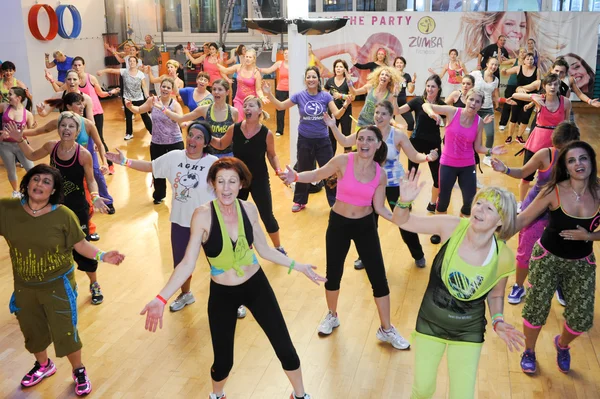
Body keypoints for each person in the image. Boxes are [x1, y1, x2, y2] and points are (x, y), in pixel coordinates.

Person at [141, 157, 322, 399]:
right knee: (223, 361)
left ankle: (300, 395)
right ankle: (217, 395)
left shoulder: (249, 209)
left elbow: (265, 250)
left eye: (232, 182)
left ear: (241, 185)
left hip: (256, 286)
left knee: (285, 348)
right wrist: (161, 299)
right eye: (221, 181)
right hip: (222, 294)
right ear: (213, 184)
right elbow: (186, 263)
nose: (226, 188)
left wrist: (297, 266)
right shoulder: (202, 215)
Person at [391, 169, 524, 399]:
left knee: (462, 395)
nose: (479, 210)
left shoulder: (503, 256)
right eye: (479, 203)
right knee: (422, 390)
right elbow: (403, 221)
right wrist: (404, 201)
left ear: (501, 221)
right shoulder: (452, 226)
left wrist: (498, 320)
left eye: (489, 208)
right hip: (430, 322)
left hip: (468, 330)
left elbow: (496, 295)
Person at [282, 125, 411, 351]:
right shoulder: (343, 161)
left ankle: (386, 328)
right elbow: (317, 174)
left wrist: (401, 217)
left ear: (378, 145)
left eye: (370, 139)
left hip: (365, 226)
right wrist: (295, 176)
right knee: (333, 274)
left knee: (379, 278)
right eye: (361, 138)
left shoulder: (380, 174)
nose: (364, 142)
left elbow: (380, 208)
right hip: (339, 224)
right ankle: (332, 315)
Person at [0, 164, 125, 396]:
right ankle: (44, 365)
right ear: (26, 183)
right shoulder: (8, 210)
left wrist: (103, 255)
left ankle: (78, 370)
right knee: (32, 330)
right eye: (36, 179)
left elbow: (81, 244)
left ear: (53, 190)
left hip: (58, 284)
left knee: (65, 330)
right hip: (25, 286)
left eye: (47, 182)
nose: (39, 184)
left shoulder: (63, 215)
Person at [106, 122, 221, 313]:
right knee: (181, 264)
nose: (192, 140)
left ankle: (234, 299)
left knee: (219, 263)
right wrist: (125, 161)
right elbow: (151, 166)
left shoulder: (213, 163)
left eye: (198, 137)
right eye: (190, 134)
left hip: (209, 223)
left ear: (206, 142)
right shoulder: (174, 157)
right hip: (181, 221)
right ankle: (186, 294)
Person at [6, 111, 111, 305]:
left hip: (77, 209)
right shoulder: (51, 147)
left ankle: (94, 283)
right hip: (53, 207)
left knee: (82, 248)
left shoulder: (84, 154)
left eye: (71, 126)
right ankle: (63, 285)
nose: (66, 129)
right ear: (58, 128)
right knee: (53, 247)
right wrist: (21, 139)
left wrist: (95, 197)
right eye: (63, 125)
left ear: (77, 130)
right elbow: (30, 154)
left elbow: (91, 180)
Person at [516, 140, 599, 374]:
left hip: (582, 263)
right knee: (535, 310)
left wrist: (590, 236)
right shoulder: (553, 190)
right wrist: (494, 233)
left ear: (591, 161)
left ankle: (562, 345)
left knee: (580, 320)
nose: (578, 164)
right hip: (547, 258)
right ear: (565, 166)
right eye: (571, 160)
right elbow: (523, 219)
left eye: (583, 158)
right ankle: (529, 351)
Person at [327, 101, 438, 268]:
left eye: (383, 113)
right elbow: (344, 141)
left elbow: (414, 156)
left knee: (403, 220)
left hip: (394, 184)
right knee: (368, 224)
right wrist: (332, 126)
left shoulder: (398, 135)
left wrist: (428, 157)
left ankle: (418, 253)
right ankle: (365, 257)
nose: (379, 116)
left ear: (391, 116)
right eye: (377, 112)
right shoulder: (366, 132)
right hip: (371, 183)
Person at [490, 122, 580, 305]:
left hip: (561, 212)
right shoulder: (545, 154)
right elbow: (524, 172)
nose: (561, 152)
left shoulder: (579, 160)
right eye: (559, 147)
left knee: (563, 251)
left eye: (566, 148)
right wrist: (505, 169)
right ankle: (519, 285)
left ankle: (559, 285)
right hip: (536, 209)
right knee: (526, 251)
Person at [262, 66, 350, 212]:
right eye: (308, 77)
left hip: (323, 140)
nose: (311, 79)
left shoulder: (325, 96)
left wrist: (345, 105)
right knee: (303, 169)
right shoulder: (299, 96)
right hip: (305, 140)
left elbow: (338, 115)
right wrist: (269, 94)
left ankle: (335, 201)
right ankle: (300, 200)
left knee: (329, 171)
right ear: (305, 80)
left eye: (313, 77)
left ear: (318, 79)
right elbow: (281, 106)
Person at [209, 95, 287, 254]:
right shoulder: (234, 129)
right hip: (238, 181)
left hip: (259, 180)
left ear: (259, 110)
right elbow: (220, 144)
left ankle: (278, 247)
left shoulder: (267, 134)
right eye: (245, 106)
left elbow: (272, 155)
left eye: (251, 106)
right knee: (233, 214)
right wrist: (205, 135)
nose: (247, 109)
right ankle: (240, 244)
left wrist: (278, 170)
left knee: (267, 215)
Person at [20, 92, 114, 216]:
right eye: (64, 126)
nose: (81, 107)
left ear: (77, 131)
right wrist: (20, 135)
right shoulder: (53, 143)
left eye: (82, 104)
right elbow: (38, 133)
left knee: (94, 178)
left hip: (81, 161)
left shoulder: (87, 127)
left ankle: (105, 203)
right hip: (63, 172)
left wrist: (105, 163)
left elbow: (100, 144)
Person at [422, 89, 506, 221]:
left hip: (467, 165)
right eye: (471, 99)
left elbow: (478, 147)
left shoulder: (479, 122)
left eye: (477, 101)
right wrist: (433, 114)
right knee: (443, 200)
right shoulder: (453, 112)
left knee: (469, 202)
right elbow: (426, 105)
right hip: (448, 164)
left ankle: (462, 228)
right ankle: (439, 229)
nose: (473, 103)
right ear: (466, 99)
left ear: (481, 105)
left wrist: (491, 150)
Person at [47, 57, 119, 173]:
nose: (77, 67)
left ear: (84, 66)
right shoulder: (71, 82)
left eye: (79, 65)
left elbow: (100, 93)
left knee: (99, 140)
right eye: (75, 65)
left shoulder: (90, 78)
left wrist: (111, 92)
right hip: (80, 115)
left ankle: (108, 164)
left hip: (95, 112)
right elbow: (59, 91)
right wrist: (51, 81)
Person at [511, 73, 571, 202]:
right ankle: (521, 202)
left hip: (555, 143)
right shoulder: (539, 99)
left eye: (555, 84)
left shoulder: (565, 102)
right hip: (536, 142)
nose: (552, 87)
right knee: (526, 176)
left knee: (554, 177)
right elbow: (515, 95)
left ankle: (550, 203)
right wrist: (533, 96)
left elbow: (566, 125)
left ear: (559, 86)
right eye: (549, 84)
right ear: (544, 86)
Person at [127, 77, 184, 204]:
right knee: (157, 170)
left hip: (175, 142)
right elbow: (139, 110)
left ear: (172, 91)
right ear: (160, 87)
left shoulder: (175, 104)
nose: (165, 89)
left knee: (178, 170)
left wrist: (168, 113)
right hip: (157, 142)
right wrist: (130, 106)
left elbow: (181, 119)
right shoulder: (152, 101)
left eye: (168, 87)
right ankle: (159, 195)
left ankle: (181, 194)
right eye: (163, 86)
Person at [396, 74, 445, 219]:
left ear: (438, 88)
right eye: (428, 86)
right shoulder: (417, 101)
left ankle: (432, 203)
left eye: (433, 87)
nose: (430, 89)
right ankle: (407, 201)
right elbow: (397, 111)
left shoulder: (441, 105)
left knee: (437, 177)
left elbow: (451, 123)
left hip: (433, 145)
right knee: (411, 174)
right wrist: (393, 95)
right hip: (416, 142)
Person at [163, 79, 238, 158]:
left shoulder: (234, 112)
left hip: (228, 154)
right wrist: (163, 109)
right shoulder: (204, 109)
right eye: (214, 89)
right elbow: (181, 118)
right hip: (209, 155)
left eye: (220, 89)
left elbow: (235, 136)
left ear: (227, 92)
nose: (216, 92)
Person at [97, 56, 153, 140]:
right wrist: (103, 71)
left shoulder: (140, 74)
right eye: (130, 61)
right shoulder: (124, 71)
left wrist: (147, 96)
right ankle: (129, 133)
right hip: (127, 98)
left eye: (134, 61)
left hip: (139, 98)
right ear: (128, 63)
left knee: (144, 115)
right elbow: (112, 70)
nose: (132, 63)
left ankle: (152, 131)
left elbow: (144, 86)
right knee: (128, 116)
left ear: (137, 63)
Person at [0, 87, 35, 197]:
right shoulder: (4, 106)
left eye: (10, 94)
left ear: (18, 98)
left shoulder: (28, 114)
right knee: (11, 170)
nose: (8, 96)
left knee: (31, 169)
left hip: (21, 145)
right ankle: (16, 192)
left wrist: (33, 126)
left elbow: (31, 130)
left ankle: (33, 190)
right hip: (5, 145)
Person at [217, 49, 267, 122]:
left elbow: (258, 89)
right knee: (238, 121)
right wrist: (216, 63)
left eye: (250, 57)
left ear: (254, 59)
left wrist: (262, 97)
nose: (248, 59)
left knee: (250, 122)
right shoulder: (238, 67)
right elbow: (225, 70)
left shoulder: (256, 73)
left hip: (251, 102)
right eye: (246, 57)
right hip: (239, 100)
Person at [501, 52, 539, 144]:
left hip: (529, 97)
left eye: (531, 59)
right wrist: (503, 70)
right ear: (524, 60)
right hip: (518, 95)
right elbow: (505, 73)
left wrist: (525, 89)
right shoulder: (519, 68)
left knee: (525, 118)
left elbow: (538, 85)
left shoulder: (537, 70)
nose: (529, 61)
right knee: (513, 117)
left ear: (534, 60)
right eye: (527, 59)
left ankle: (519, 136)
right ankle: (509, 136)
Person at [470, 57, 500, 166]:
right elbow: (466, 82)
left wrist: (501, 101)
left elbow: (495, 94)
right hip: (475, 108)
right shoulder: (476, 74)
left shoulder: (496, 80)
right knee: (472, 133)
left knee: (490, 134)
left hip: (488, 109)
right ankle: (470, 154)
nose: (494, 67)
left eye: (496, 65)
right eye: (492, 64)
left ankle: (487, 156)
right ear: (487, 64)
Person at [260, 49, 290, 137]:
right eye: (285, 53)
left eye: (288, 53)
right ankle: (279, 130)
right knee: (280, 110)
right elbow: (269, 70)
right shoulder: (279, 63)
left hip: (292, 90)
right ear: (283, 55)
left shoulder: (295, 64)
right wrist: (259, 69)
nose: (287, 55)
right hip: (281, 89)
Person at [498, 48, 527, 132]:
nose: (522, 53)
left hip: (522, 87)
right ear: (519, 53)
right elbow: (501, 62)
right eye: (521, 52)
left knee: (520, 106)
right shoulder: (515, 60)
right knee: (507, 104)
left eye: (524, 52)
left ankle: (520, 123)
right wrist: (499, 54)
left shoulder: (528, 63)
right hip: (511, 85)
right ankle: (502, 124)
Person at [393, 56, 416, 131]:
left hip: (402, 103)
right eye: (397, 63)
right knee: (390, 124)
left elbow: (410, 90)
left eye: (401, 63)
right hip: (391, 102)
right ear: (394, 64)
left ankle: (410, 141)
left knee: (411, 122)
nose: (399, 64)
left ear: (404, 65)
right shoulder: (390, 74)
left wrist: (413, 82)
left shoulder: (407, 76)